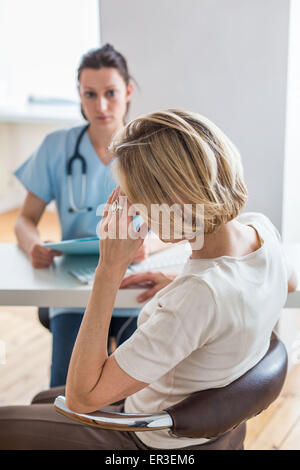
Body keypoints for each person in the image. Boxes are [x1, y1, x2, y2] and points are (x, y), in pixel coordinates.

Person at [0, 109, 296, 450]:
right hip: (209, 430)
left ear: (174, 203)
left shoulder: (198, 298)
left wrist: (108, 270)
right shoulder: (262, 232)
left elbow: (82, 398)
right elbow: (282, 283)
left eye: (134, 201)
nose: (134, 214)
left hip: (148, 439)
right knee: (42, 399)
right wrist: (178, 281)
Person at [13, 44, 147, 388]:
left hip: (134, 288)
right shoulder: (56, 146)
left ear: (128, 91)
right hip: (75, 291)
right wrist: (34, 245)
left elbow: (172, 222)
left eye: (111, 93)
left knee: (138, 388)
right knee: (67, 386)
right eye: (90, 94)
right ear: (79, 94)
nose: (101, 106)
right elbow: (24, 219)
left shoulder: (148, 150)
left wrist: (148, 246)